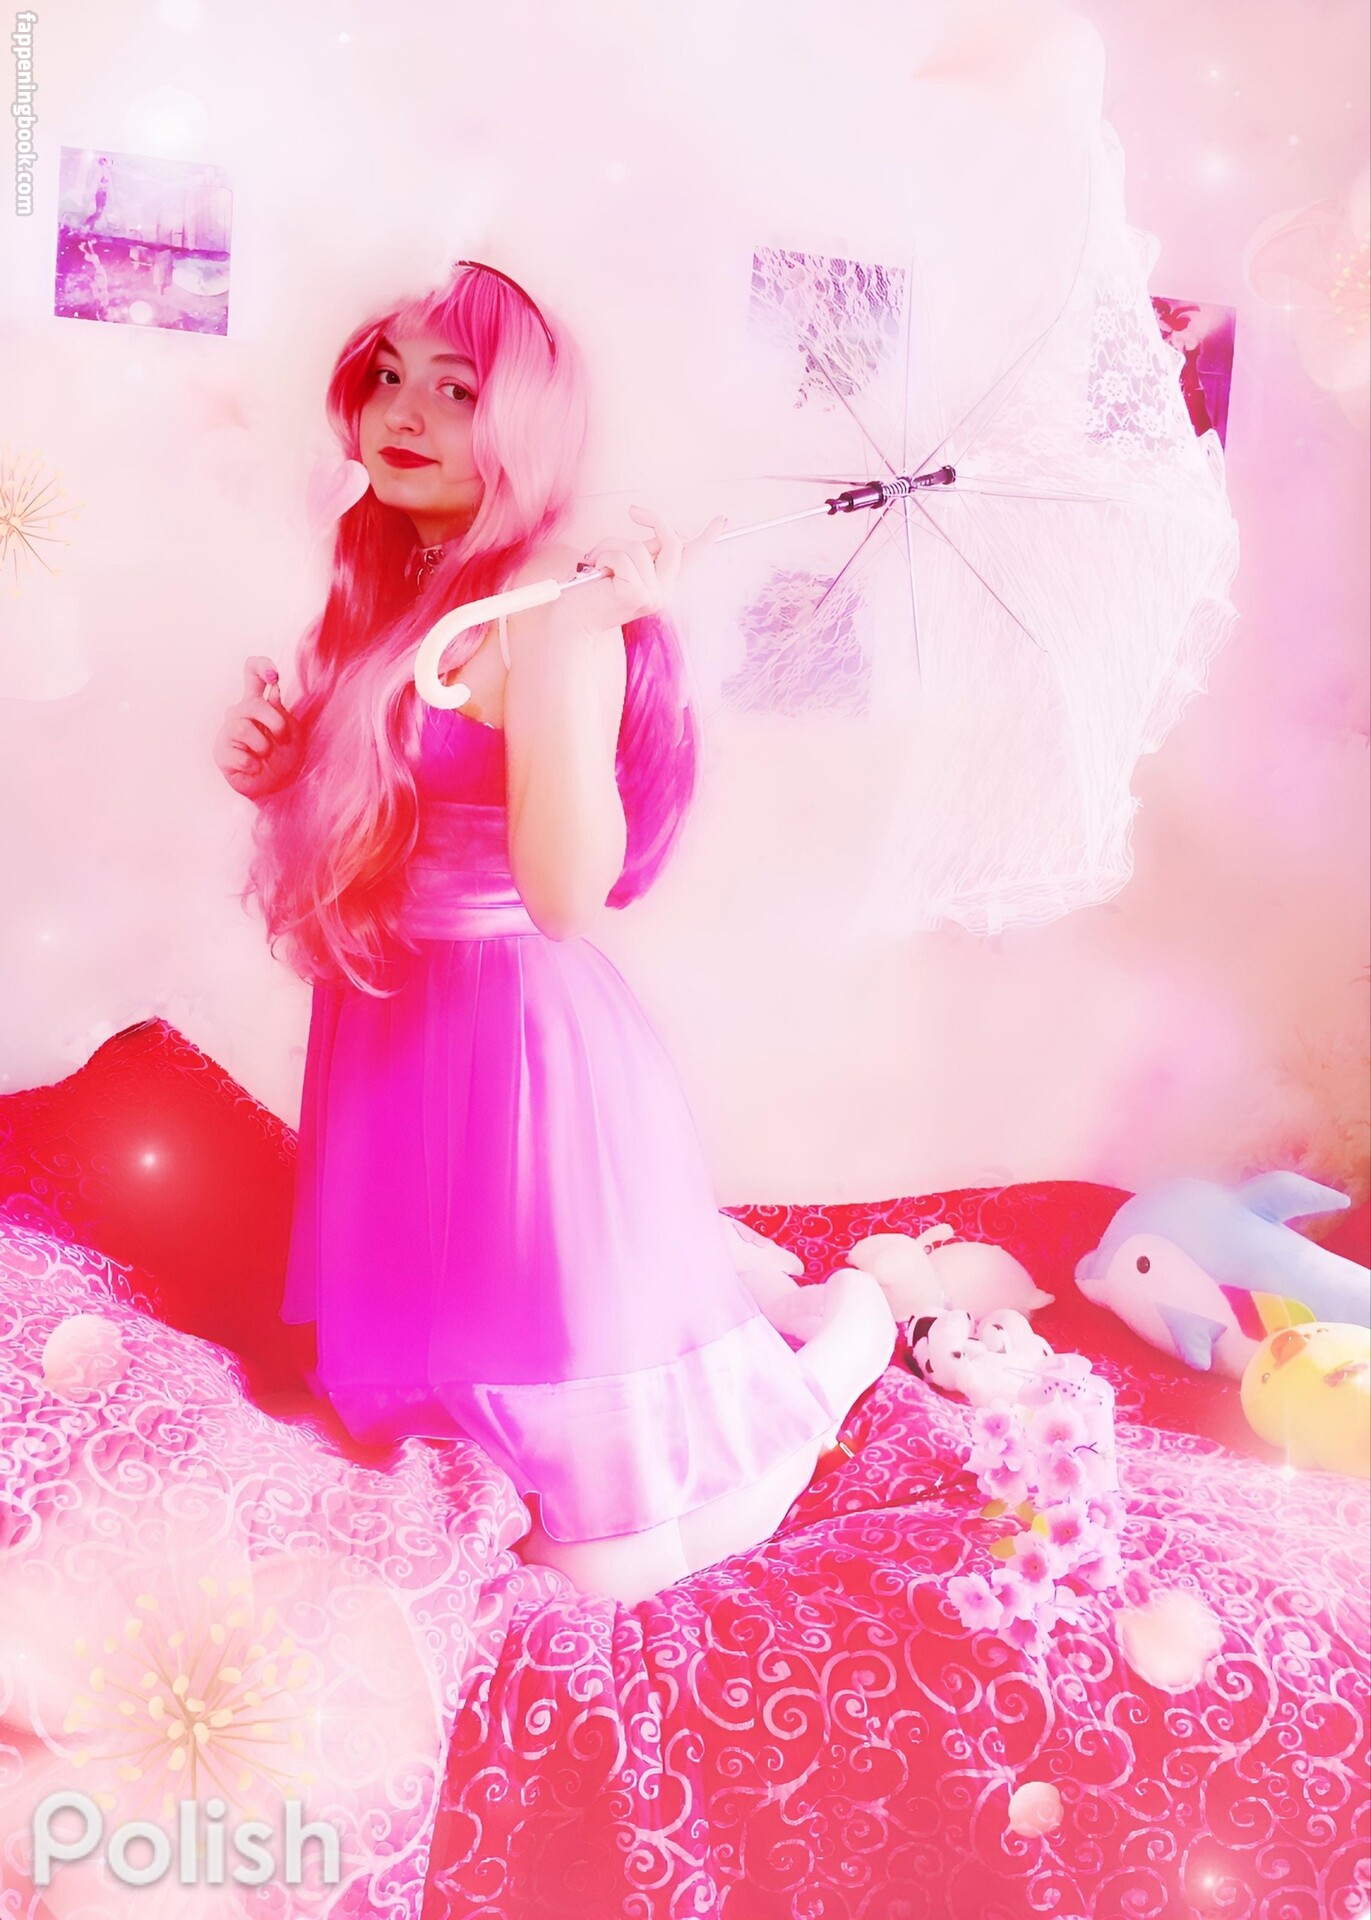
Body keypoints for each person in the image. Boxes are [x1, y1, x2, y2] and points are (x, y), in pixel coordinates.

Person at [213, 260, 895, 1604]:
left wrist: (583, 643)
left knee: (608, 1561)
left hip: (514, 1041)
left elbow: (567, 896)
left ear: (525, 418)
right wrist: (281, 765)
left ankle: (848, 1334)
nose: (407, 413)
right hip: (392, 1024)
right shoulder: (393, 579)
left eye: (458, 391)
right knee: (432, 1440)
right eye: (388, 379)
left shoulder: (546, 604)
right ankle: (731, 1279)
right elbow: (390, 813)